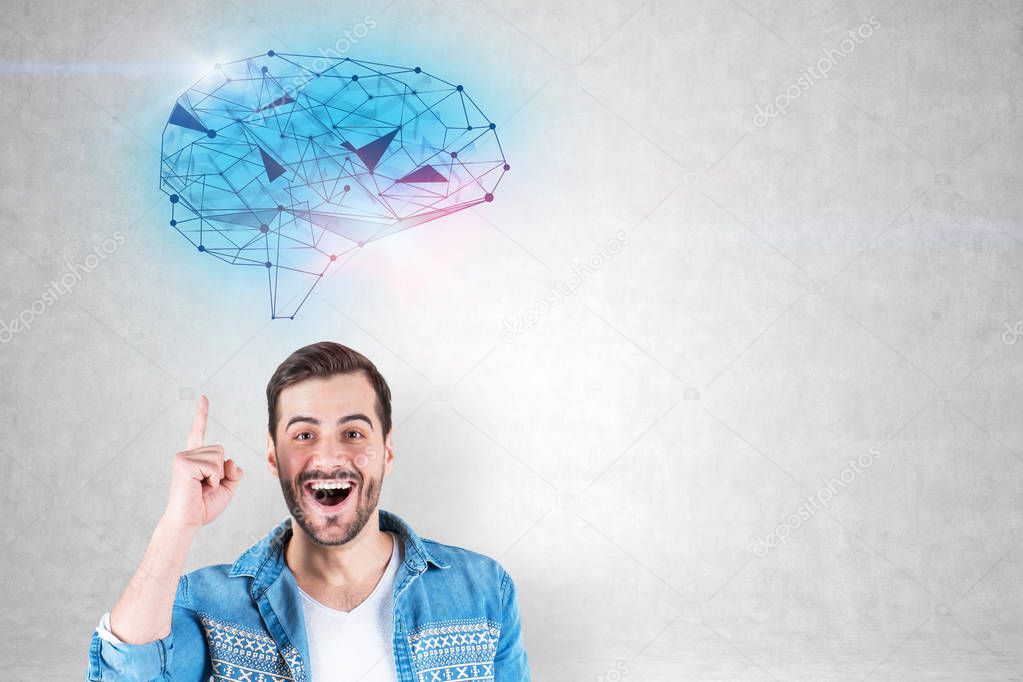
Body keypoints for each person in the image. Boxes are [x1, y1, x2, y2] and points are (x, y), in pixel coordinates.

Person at [85, 341, 531, 681]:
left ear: (387, 451)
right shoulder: (204, 604)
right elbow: (128, 672)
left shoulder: (484, 591)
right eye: (304, 435)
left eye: (353, 433)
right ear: (273, 454)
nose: (329, 457)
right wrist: (177, 526)